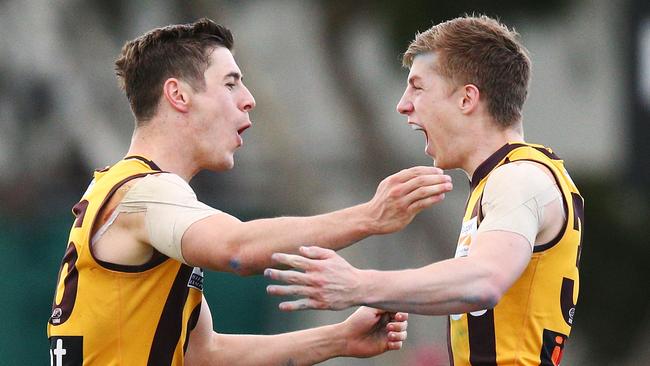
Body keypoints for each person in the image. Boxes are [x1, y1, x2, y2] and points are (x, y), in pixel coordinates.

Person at [46, 18, 454, 365]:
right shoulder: (146, 193)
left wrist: (339, 340)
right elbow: (236, 248)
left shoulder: (123, 189)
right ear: (178, 95)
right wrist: (369, 217)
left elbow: (204, 354)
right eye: (230, 84)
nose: (249, 100)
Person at [265, 15, 585, 366]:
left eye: (417, 87)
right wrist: (387, 301)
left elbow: (484, 281)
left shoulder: (519, 178)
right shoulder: (502, 179)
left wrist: (359, 284)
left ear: (467, 99)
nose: (403, 104)